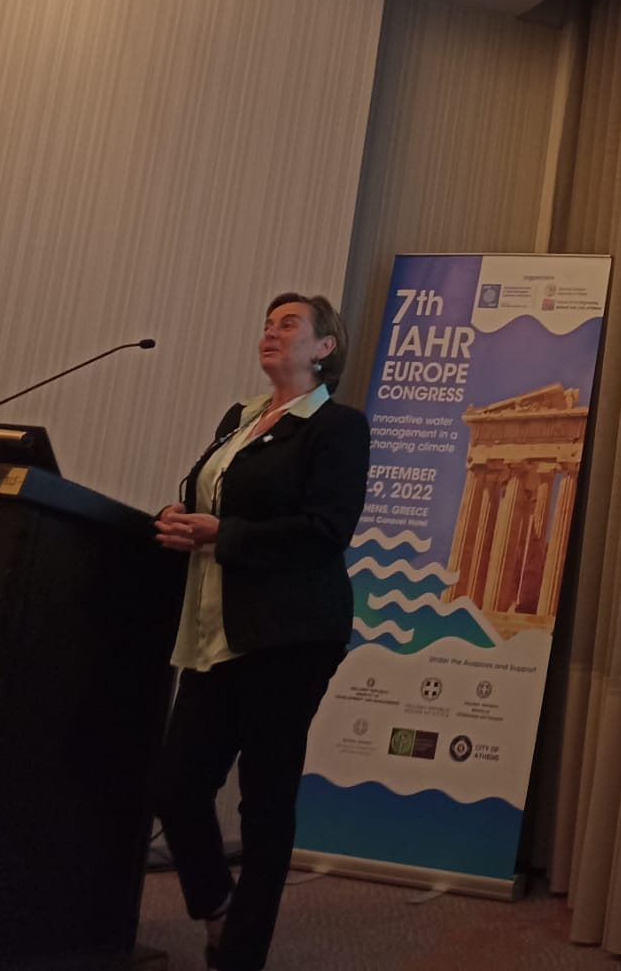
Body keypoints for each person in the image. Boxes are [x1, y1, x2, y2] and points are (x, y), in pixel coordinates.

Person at [152, 293, 368, 970]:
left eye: (288, 324)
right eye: (268, 324)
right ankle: (218, 909)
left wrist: (225, 534)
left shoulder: (336, 427)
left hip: (290, 634)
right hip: (216, 630)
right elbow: (217, 500)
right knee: (177, 787)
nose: (271, 333)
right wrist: (179, 516)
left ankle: (240, 955)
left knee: (264, 801)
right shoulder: (239, 419)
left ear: (324, 347)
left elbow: (326, 530)